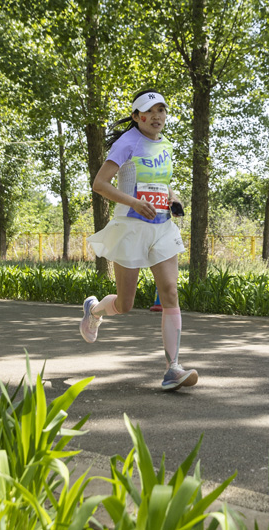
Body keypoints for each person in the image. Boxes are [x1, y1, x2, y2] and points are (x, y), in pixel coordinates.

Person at [80, 90, 197, 391]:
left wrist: (173, 198)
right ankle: (93, 311)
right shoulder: (127, 142)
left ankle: (172, 369)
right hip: (131, 226)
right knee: (126, 303)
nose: (157, 116)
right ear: (136, 117)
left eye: (162, 110)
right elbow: (100, 184)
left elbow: (162, 183)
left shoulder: (167, 145)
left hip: (162, 226)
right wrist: (133, 202)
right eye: (150, 111)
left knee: (170, 292)